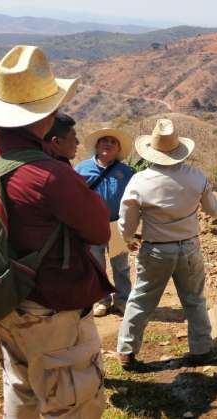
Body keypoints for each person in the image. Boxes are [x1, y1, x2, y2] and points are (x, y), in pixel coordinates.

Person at [0, 45, 111, 417]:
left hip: (6, 295)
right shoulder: (49, 174)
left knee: (21, 385)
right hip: (52, 308)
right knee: (71, 402)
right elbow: (99, 230)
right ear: (43, 116)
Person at [117, 119, 217, 369]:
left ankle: (127, 351)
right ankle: (202, 349)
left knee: (141, 300)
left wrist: (127, 240)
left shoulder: (140, 181)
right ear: (179, 149)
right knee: (194, 300)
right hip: (189, 247)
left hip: (156, 250)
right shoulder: (196, 177)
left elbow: (127, 222)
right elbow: (214, 210)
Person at [76, 128, 135, 317]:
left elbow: (135, 200)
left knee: (121, 266)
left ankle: (122, 301)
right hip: (92, 226)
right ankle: (101, 301)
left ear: (118, 148)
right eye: (104, 141)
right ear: (96, 145)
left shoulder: (127, 172)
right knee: (97, 266)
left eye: (112, 142)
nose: (108, 144)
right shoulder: (81, 169)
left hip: (118, 225)